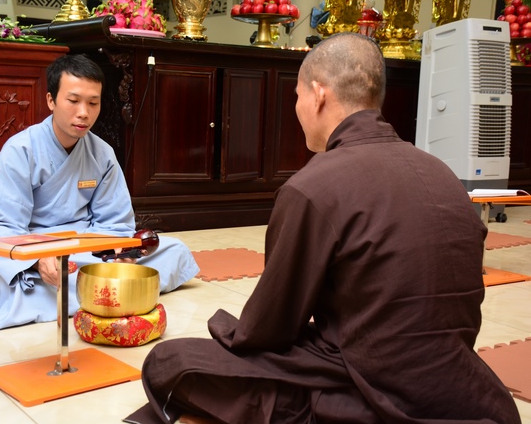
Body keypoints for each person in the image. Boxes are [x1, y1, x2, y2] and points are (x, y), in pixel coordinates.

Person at [125, 33, 521, 424]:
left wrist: (228, 329)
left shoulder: (312, 186)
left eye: (296, 96)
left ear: (317, 95)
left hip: (371, 386)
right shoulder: (443, 175)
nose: (297, 107)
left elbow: (272, 328)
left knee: (171, 361)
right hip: (458, 387)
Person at [0, 54, 199, 330]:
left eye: (93, 103)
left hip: (86, 248)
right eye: (73, 101)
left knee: (174, 250)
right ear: (51, 100)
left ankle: (93, 286)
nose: (84, 113)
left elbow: (116, 221)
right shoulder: (20, 150)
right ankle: (107, 288)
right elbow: (1, 226)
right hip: (39, 250)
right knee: (24, 286)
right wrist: (37, 261)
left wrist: (119, 251)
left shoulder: (102, 153)